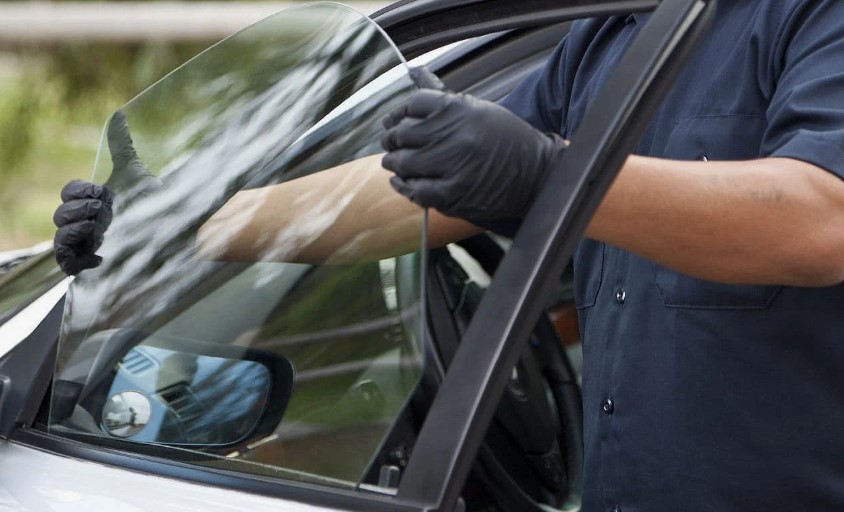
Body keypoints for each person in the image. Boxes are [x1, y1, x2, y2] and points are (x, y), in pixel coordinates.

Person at [54, 0, 844, 510]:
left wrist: (549, 174)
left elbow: (822, 220)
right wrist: (177, 226)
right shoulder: (611, 34)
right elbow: (417, 187)